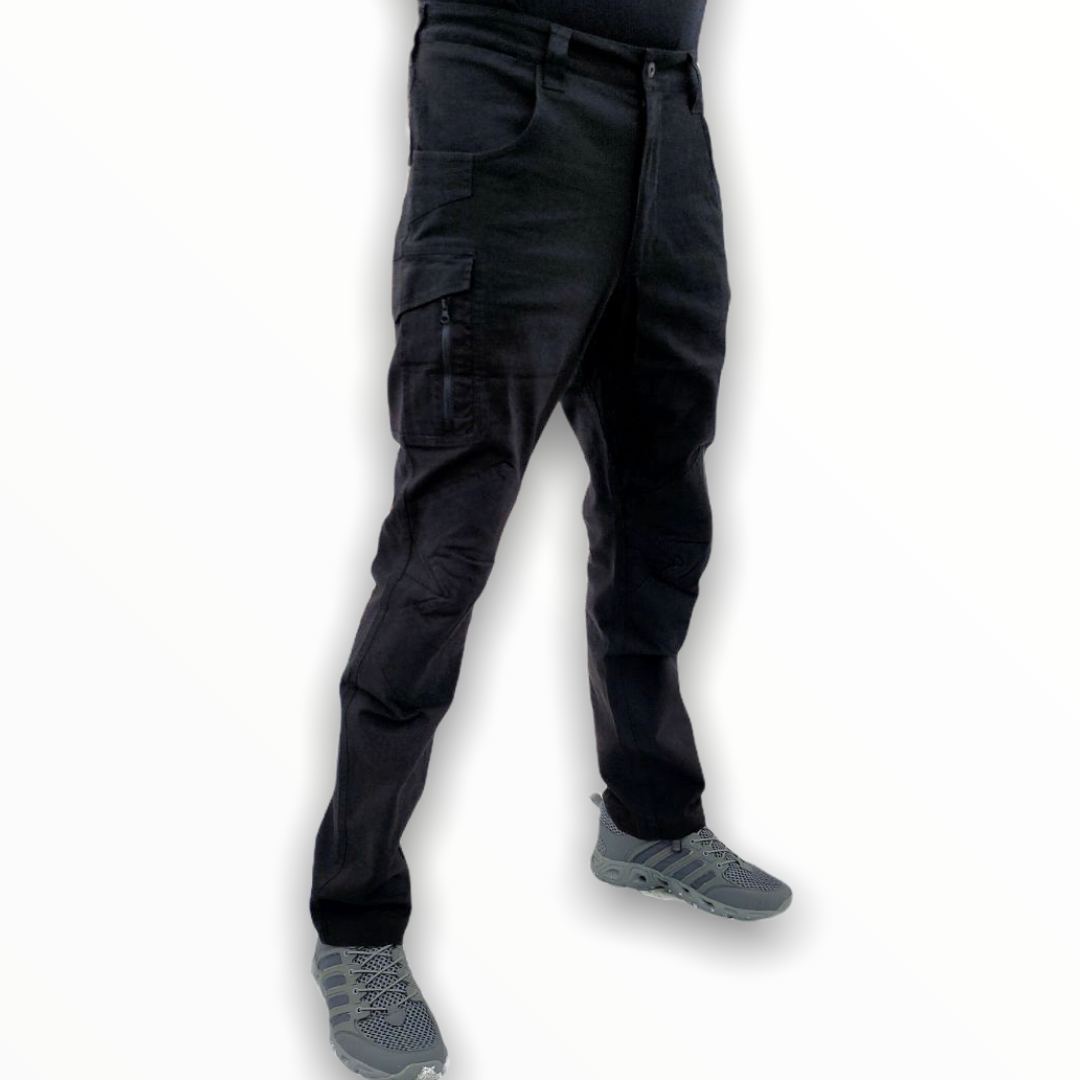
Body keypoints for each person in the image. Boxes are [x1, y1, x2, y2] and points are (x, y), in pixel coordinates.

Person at [309, 2, 791, 1076]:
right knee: (447, 542)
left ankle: (649, 818)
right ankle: (356, 922)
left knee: (662, 512)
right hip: (509, 86)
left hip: (671, 110)